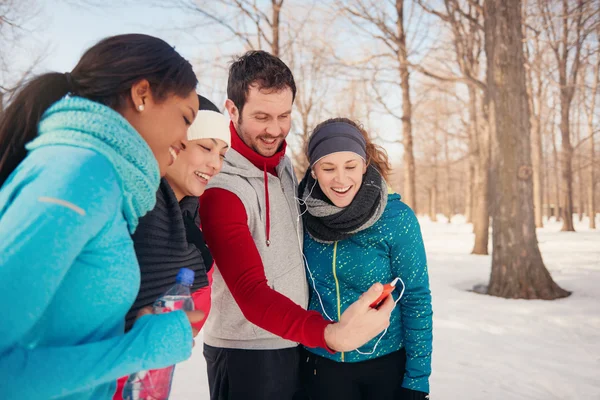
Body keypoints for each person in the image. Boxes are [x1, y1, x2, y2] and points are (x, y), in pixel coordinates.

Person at [0, 34, 204, 400]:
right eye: (185, 118)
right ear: (142, 94)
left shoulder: (99, 180)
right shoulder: (78, 174)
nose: (185, 139)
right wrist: (141, 347)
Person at [199, 50, 394, 400]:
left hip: (293, 341)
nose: (274, 129)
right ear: (232, 110)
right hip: (246, 353)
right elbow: (250, 292)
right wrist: (330, 334)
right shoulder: (222, 187)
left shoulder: (283, 165)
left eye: (284, 115)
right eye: (261, 116)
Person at [297, 118, 433, 400]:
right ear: (313, 170)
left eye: (350, 166)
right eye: (328, 167)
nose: (341, 179)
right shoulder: (301, 215)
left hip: (385, 367)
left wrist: (417, 381)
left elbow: (416, 298)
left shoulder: (396, 218)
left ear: (364, 164)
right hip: (320, 366)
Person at [113, 96, 230, 400]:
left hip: (150, 385)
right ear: (176, 143)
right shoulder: (129, 207)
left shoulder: (196, 228)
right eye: (205, 147)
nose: (215, 164)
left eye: (222, 153)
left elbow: (189, 320)